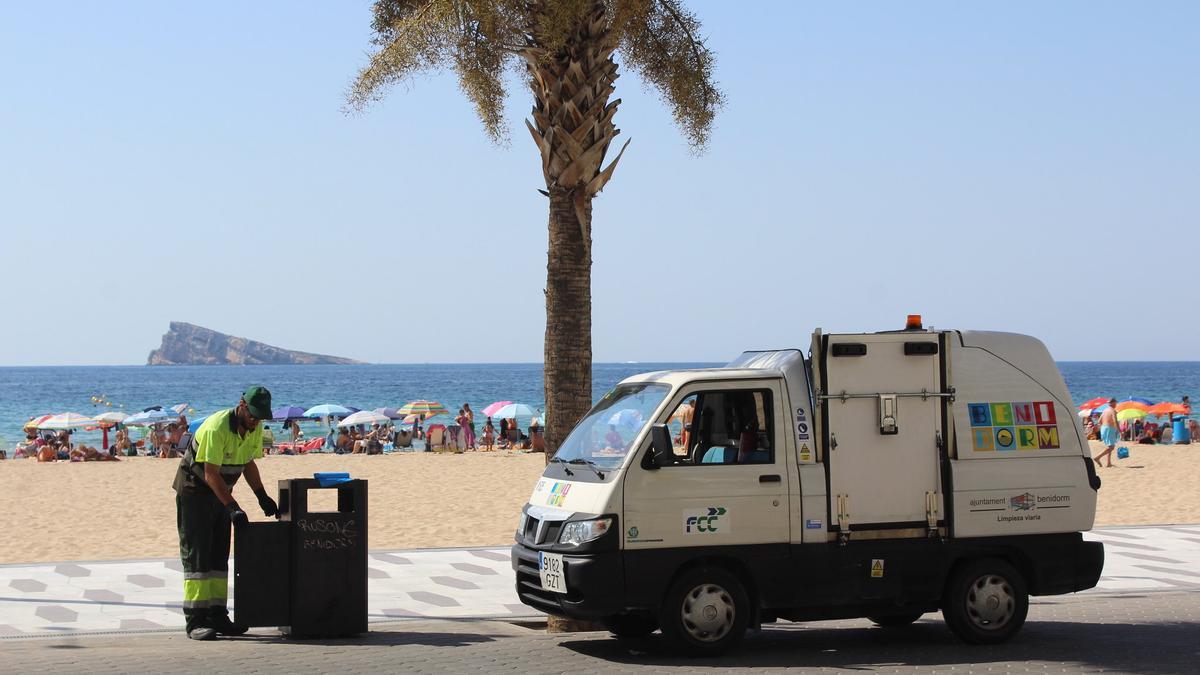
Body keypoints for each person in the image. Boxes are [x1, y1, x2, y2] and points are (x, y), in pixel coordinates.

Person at [171, 385, 278, 641]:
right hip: (195, 492)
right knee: (198, 557)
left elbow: (248, 462)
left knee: (219, 556)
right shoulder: (216, 427)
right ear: (241, 405)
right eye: (252, 415)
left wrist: (262, 496)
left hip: (221, 493)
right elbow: (210, 473)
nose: (255, 421)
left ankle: (218, 615)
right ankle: (195, 620)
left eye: (260, 417)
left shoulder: (255, 428)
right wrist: (232, 507)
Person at [1095, 398, 1119, 468]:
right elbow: (1115, 421)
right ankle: (1097, 457)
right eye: (1115, 403)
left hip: (1104, 428)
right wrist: (1118, 430)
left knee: (1109, 446)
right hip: (1109, 429)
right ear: (1113, 403)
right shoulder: (1113, 410)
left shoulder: (1105, 410)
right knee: (1111, 447)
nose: (1116, 404)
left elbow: (1099, 421)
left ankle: (1108, 463)